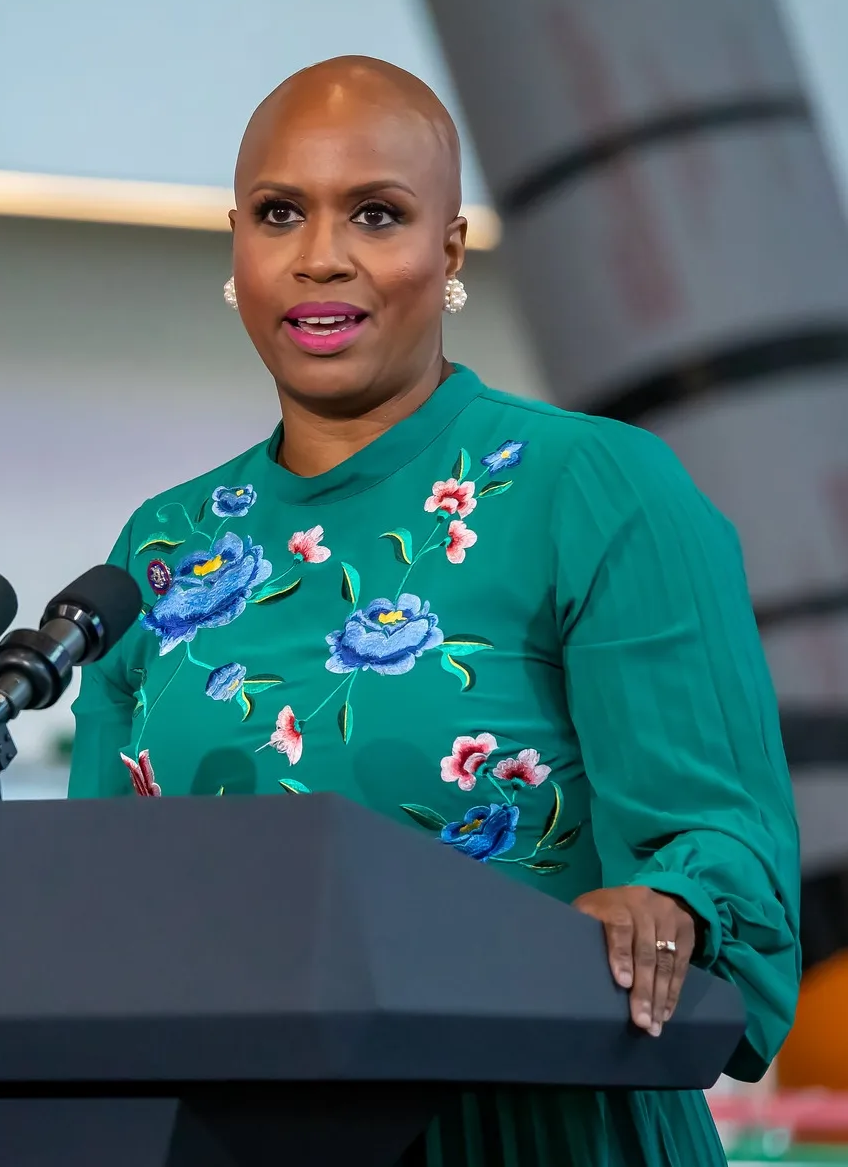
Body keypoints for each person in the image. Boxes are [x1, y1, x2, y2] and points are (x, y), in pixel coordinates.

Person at [68, 56, 800, 1166]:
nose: (322, 257)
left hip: (531, 1120)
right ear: (236, 244)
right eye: (279, 214)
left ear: (449, 248)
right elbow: (97, 892)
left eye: (376, 213)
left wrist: (668, 901)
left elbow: (719, 829)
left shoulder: (593, 489)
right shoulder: (165, 547)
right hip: (227, 1127)